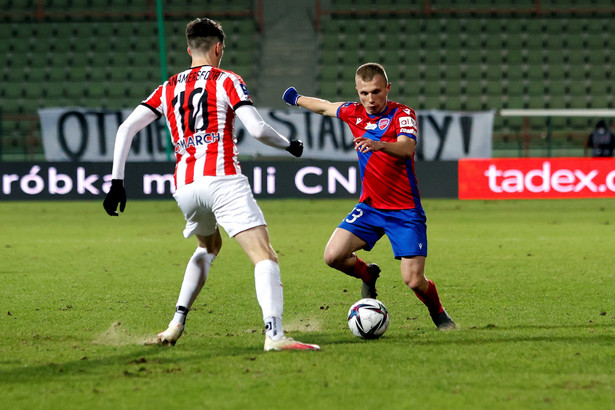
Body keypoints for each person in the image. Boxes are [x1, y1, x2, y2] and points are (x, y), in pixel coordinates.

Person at [103, 17, 319, 351]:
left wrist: (117, 181)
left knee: (208, 247)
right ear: (219, 48)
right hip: (221, 178)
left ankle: (176, 323)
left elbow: (125, 129)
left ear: (189, 49)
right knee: (265, 257)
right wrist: (289, 145)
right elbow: (258, 129)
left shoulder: (169, 86)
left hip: (186, 186)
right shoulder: (227, 79)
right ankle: (274, 335)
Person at [282, 63, 456, 330]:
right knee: (333, 256)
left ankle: (439, 315)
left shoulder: (402, 114)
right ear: (357, 91)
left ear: (387, 88)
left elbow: (407, 148)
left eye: (376, 92)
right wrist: (296, 98)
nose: (370, 100)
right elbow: (325, 106)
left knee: (413, 280)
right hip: (371, 207)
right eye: (364, 93)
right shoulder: (354, 113)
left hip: (405, 211)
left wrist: (379, 144)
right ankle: (368, 273)